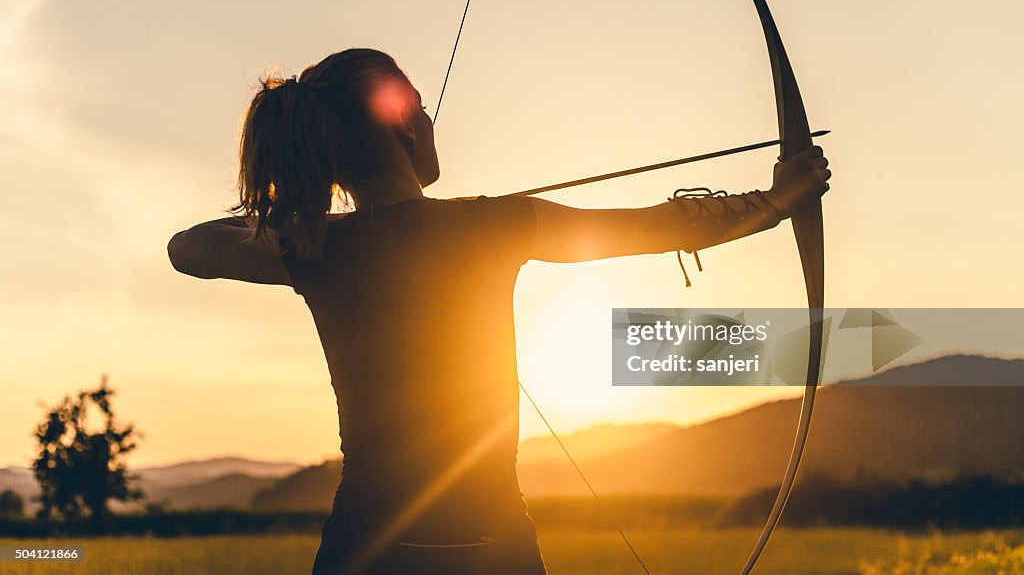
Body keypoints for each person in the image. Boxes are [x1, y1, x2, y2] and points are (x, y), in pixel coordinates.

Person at [167, 48, 830, 574]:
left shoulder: (317, 248)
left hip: (364, 544)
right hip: (490, 542)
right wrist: (778, 200)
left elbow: (188, 247)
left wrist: (302, 217)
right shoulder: (490, 226)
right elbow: (660, 226)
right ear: (406, 123)